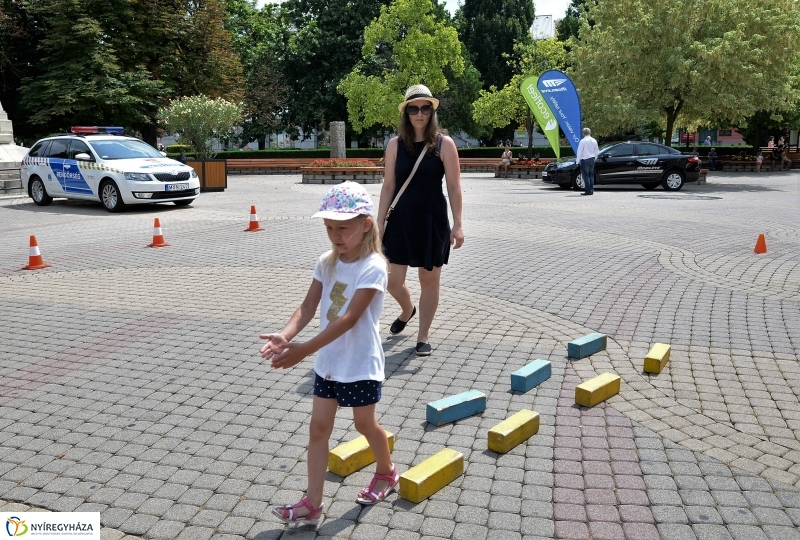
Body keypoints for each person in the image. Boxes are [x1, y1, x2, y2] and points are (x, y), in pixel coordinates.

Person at [261, 182, 396, 525]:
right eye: (329, 228)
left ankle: (386, 471)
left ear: (365, 224)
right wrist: (286, 335)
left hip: (359, 363)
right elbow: (308, 306)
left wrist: (304, 349)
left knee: (365, 425)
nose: (335, 235)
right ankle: (313, 503)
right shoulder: (327, 262)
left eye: (342, 228)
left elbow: (350, 318)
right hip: (329, 363)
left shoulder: (374, 266)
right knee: (318, 430)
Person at [378, 84, 464, 357]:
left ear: (431, 111)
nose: (419, 113)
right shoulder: (394, 145)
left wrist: (458, 223)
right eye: (413, 108)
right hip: (401, 220)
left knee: (429, 280)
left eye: (425, 108)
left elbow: (454, 186)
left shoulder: (444, 144)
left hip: (432, 220)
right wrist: (379, 222)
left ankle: (423, 335)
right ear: (406, 113)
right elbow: (388, 186)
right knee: (392, 281)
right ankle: (407, 310)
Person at [576, 127, 599, 195]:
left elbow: (579, 152)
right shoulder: (594, 140)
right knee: (591, 175)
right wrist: (595, 158)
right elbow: (596, 151)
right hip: (592, 159)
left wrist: (577, 161)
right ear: (590, 133)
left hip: (585, 159)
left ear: (583, 133)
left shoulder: (583, 141)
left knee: (586, 176)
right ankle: (591, 189)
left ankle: (588, 190)